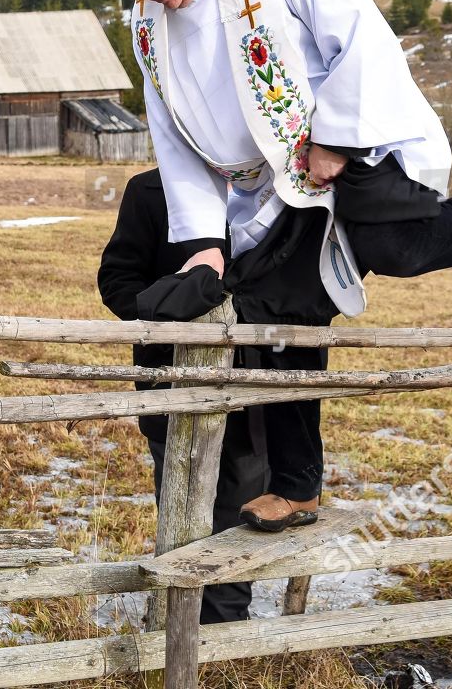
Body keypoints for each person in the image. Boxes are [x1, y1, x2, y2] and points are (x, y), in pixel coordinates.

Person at [85, 0, 452, 532]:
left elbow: (362, 35)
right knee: (276, 310)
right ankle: (298, 486)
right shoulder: (148, 25)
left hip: (344, 149)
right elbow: (171, 136)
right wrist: (203, 244)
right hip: (266, 185)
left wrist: (333, 136)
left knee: (393, 247)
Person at [97, 167, 333, 622]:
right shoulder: (151, 189)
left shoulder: (285, 186)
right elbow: (117, 280)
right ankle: (176, 627)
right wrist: (172, 307)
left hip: (258, 396)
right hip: (172, 392)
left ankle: (223, 636)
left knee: (239, 519)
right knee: (181, 520)